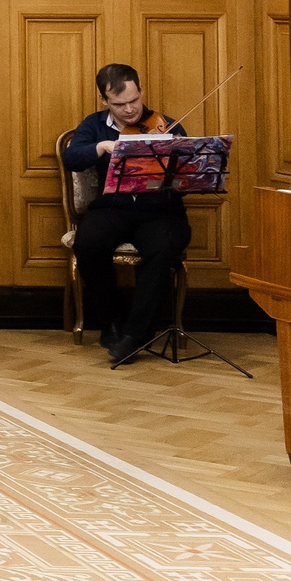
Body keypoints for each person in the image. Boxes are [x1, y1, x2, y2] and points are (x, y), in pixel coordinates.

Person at [62, 63, 191, 366]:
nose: (130, 109)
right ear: (104, 100)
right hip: (113, 208)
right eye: (120, 105)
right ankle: (111, 324)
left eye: (134, 100)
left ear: (141, 90)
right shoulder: (93, 126)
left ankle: (134, 336)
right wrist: (101, 147)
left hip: (160, 211)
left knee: (163, 249)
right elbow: (72, 159)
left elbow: (187, 177)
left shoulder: (167, 126)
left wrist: (175, 168)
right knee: (89, 243)